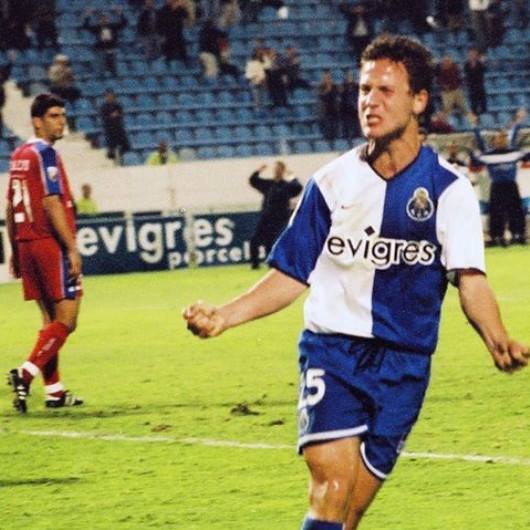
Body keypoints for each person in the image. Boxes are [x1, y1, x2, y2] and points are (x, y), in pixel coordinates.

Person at [183, 35, 529, 530]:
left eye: (386, 90)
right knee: (331, 486)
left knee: (349, 513)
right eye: (365, 89)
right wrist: (224, 316)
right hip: (334, 352)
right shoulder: (330, 183)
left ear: (419, 101)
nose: (370, 101)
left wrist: (497, 338)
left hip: (406, 365)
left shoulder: (449, 191)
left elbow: (470, 279)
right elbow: (290, 273)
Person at [5, 93, 84, 414]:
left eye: (62, 115)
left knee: (50, 321)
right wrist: (71, 248)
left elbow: (10, 206)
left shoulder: (19, 155)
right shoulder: (45, 153)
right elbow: (51, 203)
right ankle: (25, 373)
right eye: (53, 116)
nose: (61, 121)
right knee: (67, 320)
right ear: (37, 121)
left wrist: (14, 249)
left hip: (26, 243)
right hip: (50, 244)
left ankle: (54, 391)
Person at [469, 109, 528, 246]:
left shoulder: (513, 152)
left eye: (503, 138)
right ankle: (497, 236)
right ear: (494, 141)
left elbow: (514, 135)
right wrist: (474, 125)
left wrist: (518, 121)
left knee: (516, 211)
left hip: (511, 185)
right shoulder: (488, 155)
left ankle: (518, 234)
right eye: (498, 138)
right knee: (496, 212)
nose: (502, 140)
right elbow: (480, 142)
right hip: (497, 186)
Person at [248, 161, 302, 269]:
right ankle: (255, 264)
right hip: (266, 216)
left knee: (272, 241)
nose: (276, 171)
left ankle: (272, 263)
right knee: (254, 240)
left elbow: (298, 187)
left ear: (282, 171)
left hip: (280, 218)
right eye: (275, 168)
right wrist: (259, 170)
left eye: (279, 169)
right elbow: (253, 180)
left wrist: (292, 176)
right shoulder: (269, 184)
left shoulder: (287, 186)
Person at [82, 7, 128, 76]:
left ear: (108, 19)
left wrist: (120, 13)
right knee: (101, 69)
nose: (104, 20)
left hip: (112, 49)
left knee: (114, 69)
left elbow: (124, 23)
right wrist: (88, 15)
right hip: (101, 50)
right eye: (102, 18)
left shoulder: (113, 26)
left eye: (105, 18)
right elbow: (86, 26)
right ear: (99, 20)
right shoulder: (97, 28)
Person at [99, 89, 130, 163]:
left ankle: (121, 158)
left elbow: (121, 115)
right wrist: (111, 116)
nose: (110, 97)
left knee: (125, 145)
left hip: (118, 128)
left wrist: (117, 115)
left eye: (111, 96)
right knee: (111, 147)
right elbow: (104, 118)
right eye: (108, 96)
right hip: (109, 129)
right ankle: (113, 159)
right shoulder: (103, 107)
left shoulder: (118, 105)